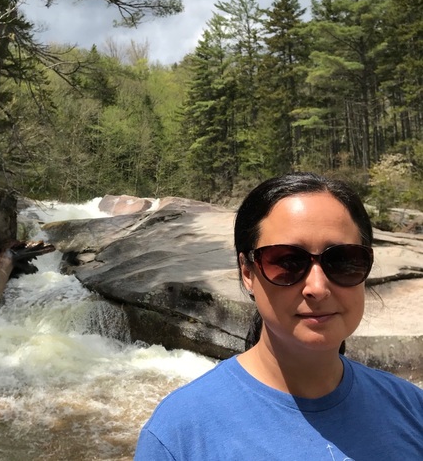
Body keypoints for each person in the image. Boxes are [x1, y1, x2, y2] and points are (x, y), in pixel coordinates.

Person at [134, 172, 423, 460]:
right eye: (287, 262)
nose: (317, 288)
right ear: (247, 273)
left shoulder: (412, 408)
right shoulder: (180, 435)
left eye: (343, 260)